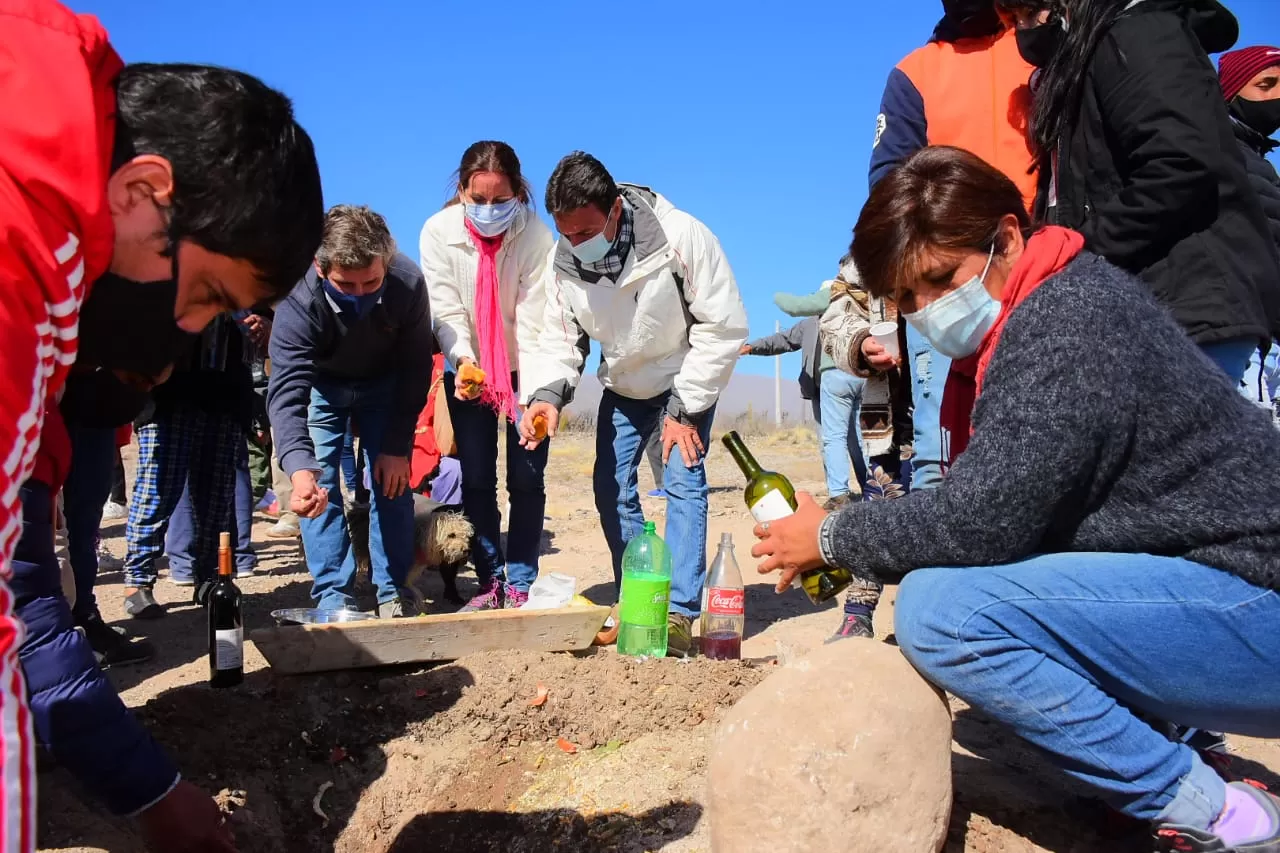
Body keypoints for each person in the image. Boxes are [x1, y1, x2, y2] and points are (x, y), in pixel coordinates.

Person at [752, 145, 1280, 852]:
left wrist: (831, 537)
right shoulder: (1044, 310)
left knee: (944, 613)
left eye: (941, 280)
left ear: (1004, 237)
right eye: (908, 299)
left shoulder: (1066, 324)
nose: (928, 312)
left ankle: (1221, 816)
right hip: (1230, 595)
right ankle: (1174, 744)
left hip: (1258, 604)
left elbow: (982, 518)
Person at [1, 1, 325, 847]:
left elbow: (23, 580)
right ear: (144, 192)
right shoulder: (17, 250)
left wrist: (146, 789)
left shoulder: (47, 159)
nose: (186, 333)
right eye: (207, 295)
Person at [517, 151, 749, 657]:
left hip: (682, 379)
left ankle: (681, 611)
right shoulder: (563, 262)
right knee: (609, 486)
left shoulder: (682, 237)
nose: (575, 244)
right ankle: (639, 591)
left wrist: (684, 409)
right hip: (623, 384)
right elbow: (559, 337)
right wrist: (547, 395)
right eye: (566, 234)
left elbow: (723, 325)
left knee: (684, 481)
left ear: (616, 211)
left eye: (584, 232)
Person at [998, 0, 1280, 384]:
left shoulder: (1135, 34)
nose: (1024, 31)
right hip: (1141, 317)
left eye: (1030, 13)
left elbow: (1180, 166)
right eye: (1014, 20)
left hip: (1185, 314)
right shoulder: (1083, 67)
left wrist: (1072, 251)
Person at [871, 0, 1035, 491]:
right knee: (939, 446)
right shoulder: (915, 72)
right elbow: (889, 186)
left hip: (1035, 268)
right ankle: (936, 564)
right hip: (946, 284)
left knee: (1036, 426)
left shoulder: (1041, 49)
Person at [269, 205, 434, 617]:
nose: (361, 294)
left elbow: (416, 369)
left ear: (388, 262)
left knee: (392, 483)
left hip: (386, 386)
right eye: (347, 284)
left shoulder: (408, 283)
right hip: (323, 387)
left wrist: (396, 445)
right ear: (320, 268)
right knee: (316, 487)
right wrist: (298, 466)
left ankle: (393, 592)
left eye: (371, 282)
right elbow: (288, 391)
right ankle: (332, 594)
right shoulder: (297, 295)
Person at [419, 141, 555, 610]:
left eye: (501, 200)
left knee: (528, 479)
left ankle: (521, 581)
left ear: (518, 193)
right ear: (461, 191)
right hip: (469, 373)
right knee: (476, 480)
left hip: (525, 371)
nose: (489, 210)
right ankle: (489, 580)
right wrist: (462, 359)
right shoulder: (438, 232)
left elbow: (540, 320)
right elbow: (445, 308)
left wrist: (540, 394)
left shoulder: (536, 237)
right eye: (478, 200)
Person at [123, 312, 258, 617]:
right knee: (157, 491)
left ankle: (210, 578)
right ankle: (139, 581)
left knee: (217, 500)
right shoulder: (168, 268)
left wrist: (265, 323)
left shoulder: (248, 275)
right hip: (168, 395)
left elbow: (265, 313)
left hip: (227, 394)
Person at [741, 316, 870, 510]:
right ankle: (849, 494)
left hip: (854, 385)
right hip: (819, 391)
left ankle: (863, 491)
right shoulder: (810, 323)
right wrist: (752, 347)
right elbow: (784, 340)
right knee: (833, 442)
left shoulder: (852, 316)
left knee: (855, 440)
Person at [1219, 46, 1280, 412]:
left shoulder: (1257, 160)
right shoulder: (1222, 154)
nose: (1277, 97)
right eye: (1266, 84)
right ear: (1231, 91)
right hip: (1240, 338)